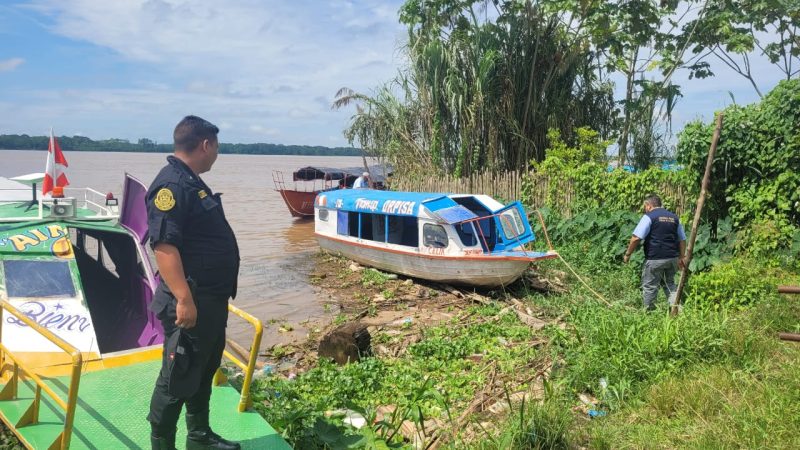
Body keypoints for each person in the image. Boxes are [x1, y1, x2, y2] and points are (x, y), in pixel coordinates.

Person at [146, 116, 241, 450]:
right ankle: (163, 444)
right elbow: (164, 247)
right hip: (190, 300)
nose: (217, 154)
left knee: (203, 370)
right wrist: (184, 299)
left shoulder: (191, 182)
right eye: (216, 147)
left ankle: (199, 436)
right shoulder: (171, 186)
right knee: (178, 377)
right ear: (205, 145)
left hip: (210, 300)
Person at [623, 194, 687, 311]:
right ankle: (677, 311)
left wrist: (628, 254)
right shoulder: (674, 217)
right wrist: (682, 256)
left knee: (650, 287)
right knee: (670, 284)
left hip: (655, 258)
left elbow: (636, 238)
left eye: (645, 206)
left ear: (648, 205)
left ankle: (649, 314)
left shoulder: (649, 217)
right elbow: (682, 239)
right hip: (672, 258)